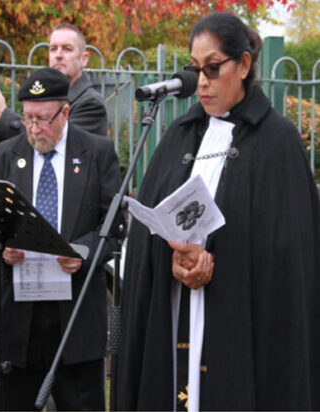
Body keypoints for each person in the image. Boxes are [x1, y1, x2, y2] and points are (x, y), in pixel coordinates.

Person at [115, 12, 320, 411]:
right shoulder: (179, 134)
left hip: (239, 331)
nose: (202, 83)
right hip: (177, 313)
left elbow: (289, 260)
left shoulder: (278, 142)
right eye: (195, 70)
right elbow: (146, 237)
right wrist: (172, 257)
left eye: (213, 68)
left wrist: (215, 263)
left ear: (243, 65)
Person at [0, 67, 120, 410]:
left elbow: (116, 225)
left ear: (65, 112)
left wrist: (84, 252)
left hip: (75, 318)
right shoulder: (5, 156)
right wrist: (2, 249)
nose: (33, 128)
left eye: (42, 119)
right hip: (20, 321)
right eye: (27, 117)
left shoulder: (98, 153)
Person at [0, 23, 107, 142]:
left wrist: (3, 115)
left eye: (67, 49)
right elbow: (16, 147)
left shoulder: (91, 104)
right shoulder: (45, 96)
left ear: (84, 59)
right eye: (53, 49)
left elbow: (56, 144)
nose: (58, 55)